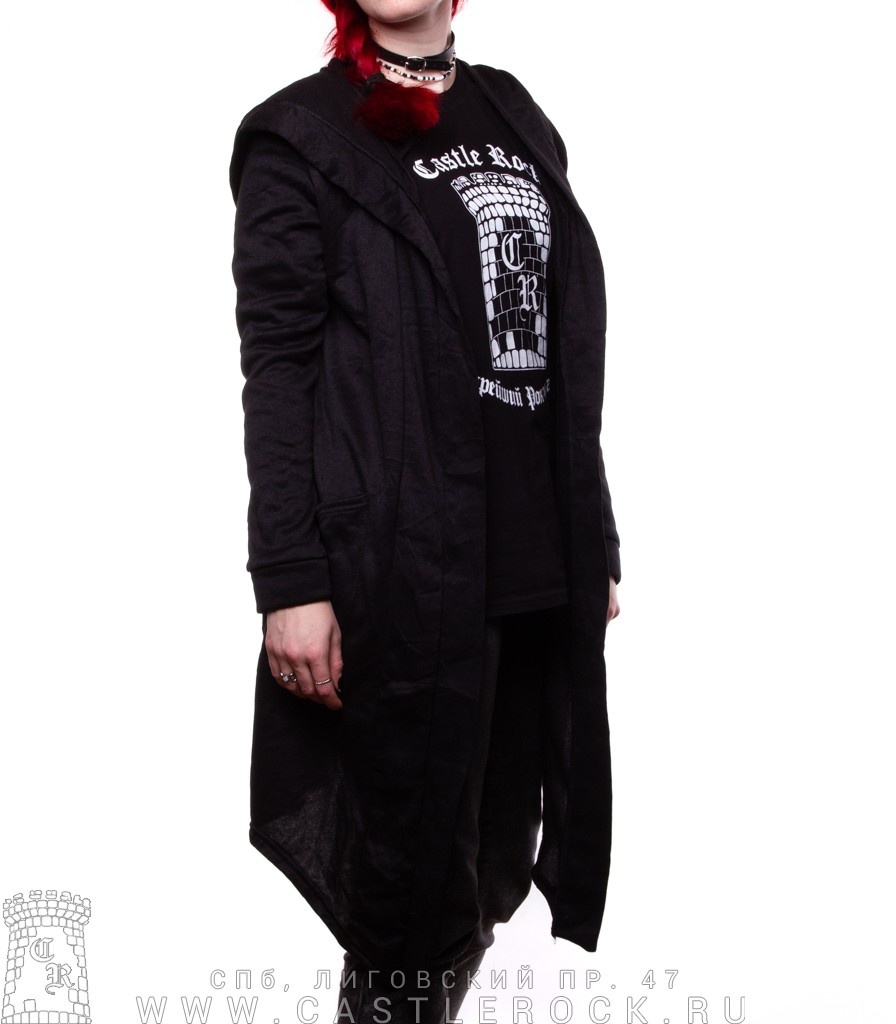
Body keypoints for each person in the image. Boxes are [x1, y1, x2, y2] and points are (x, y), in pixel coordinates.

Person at [229, 0, 622, 1018]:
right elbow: (278, 370)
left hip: (535, 557)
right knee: (404, 890)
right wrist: (290, 578)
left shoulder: (513, 110)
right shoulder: (298, 134)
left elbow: (564, 345)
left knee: (491, 870)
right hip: (406, 565)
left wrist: (595, 536)